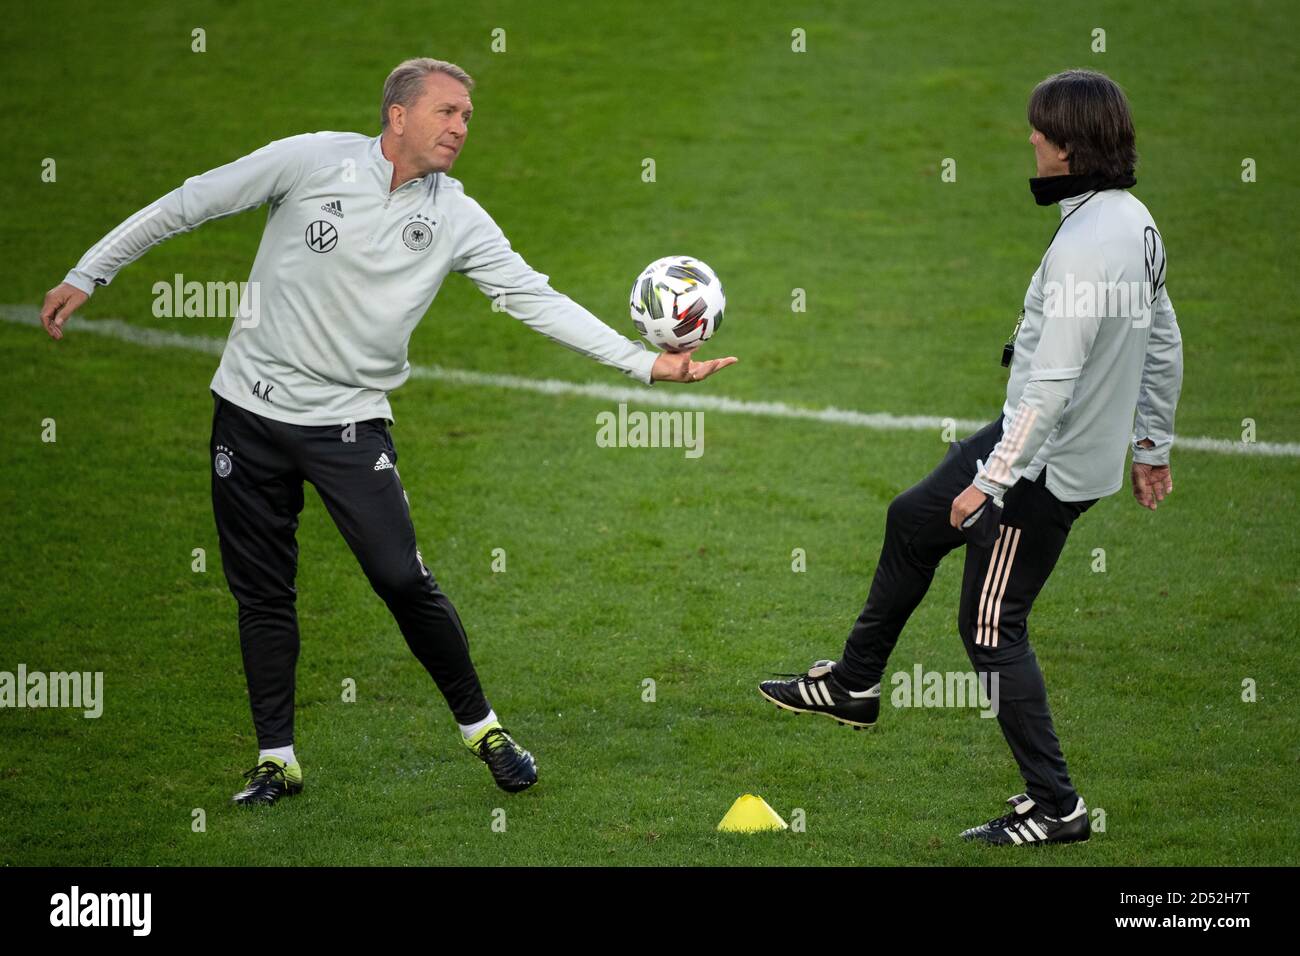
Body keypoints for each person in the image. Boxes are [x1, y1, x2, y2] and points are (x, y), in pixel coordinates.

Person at [41, 57, 737, 806]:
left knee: (402, 577)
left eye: (467, 117)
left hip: (348, 425)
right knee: (264, 594)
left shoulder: (456, 217)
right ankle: (277, 760)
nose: (461, 128)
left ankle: (485, 730)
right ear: (398, 116)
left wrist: (644, 366)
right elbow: (192, 202)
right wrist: (91, 270)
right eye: (448, 112)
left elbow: (533, 297)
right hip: (247, 415)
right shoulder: (310, 161)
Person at [759, 69, 1181, 845]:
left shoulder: (1090, 246)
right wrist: (1150, 443)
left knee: (991, 631)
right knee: (914, 519)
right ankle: (854, 684)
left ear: (1071, 145)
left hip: (1041, 470)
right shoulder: (1132, 219)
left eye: (1040, 131)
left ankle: (1057, 809)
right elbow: (1164, 339)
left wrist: (991, 481)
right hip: (1031, 439)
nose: (1030, 139)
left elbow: (1052, 385)